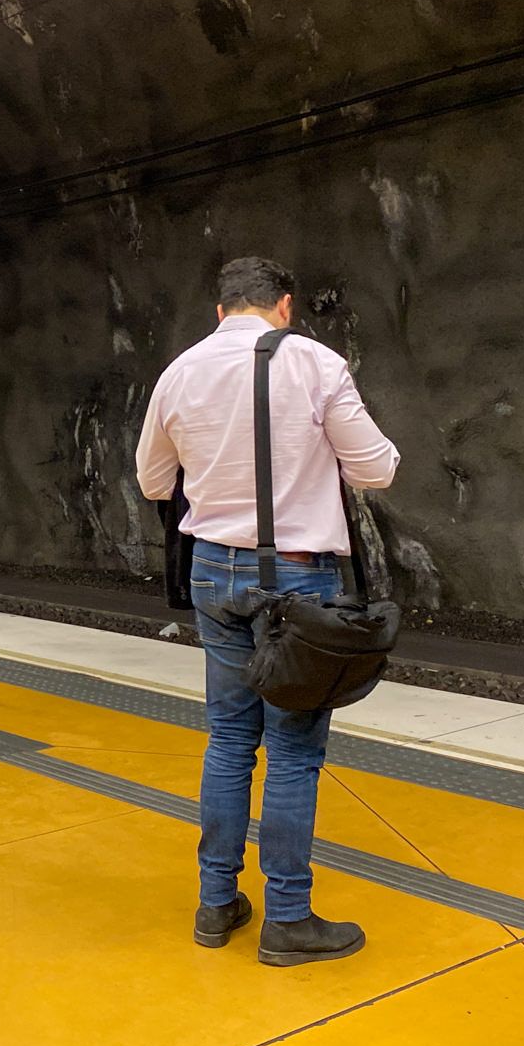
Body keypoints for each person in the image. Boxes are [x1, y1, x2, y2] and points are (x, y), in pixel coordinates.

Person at [135, 256, 399, 963]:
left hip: (213, 575)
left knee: (227, 739)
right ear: (284, 307)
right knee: (291, 749)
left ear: (221, 310)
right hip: (298, 583)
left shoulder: (180, 371)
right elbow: (377, 469)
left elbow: (154, 479)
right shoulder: (316, 363)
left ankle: (217, 905)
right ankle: (287, 917)